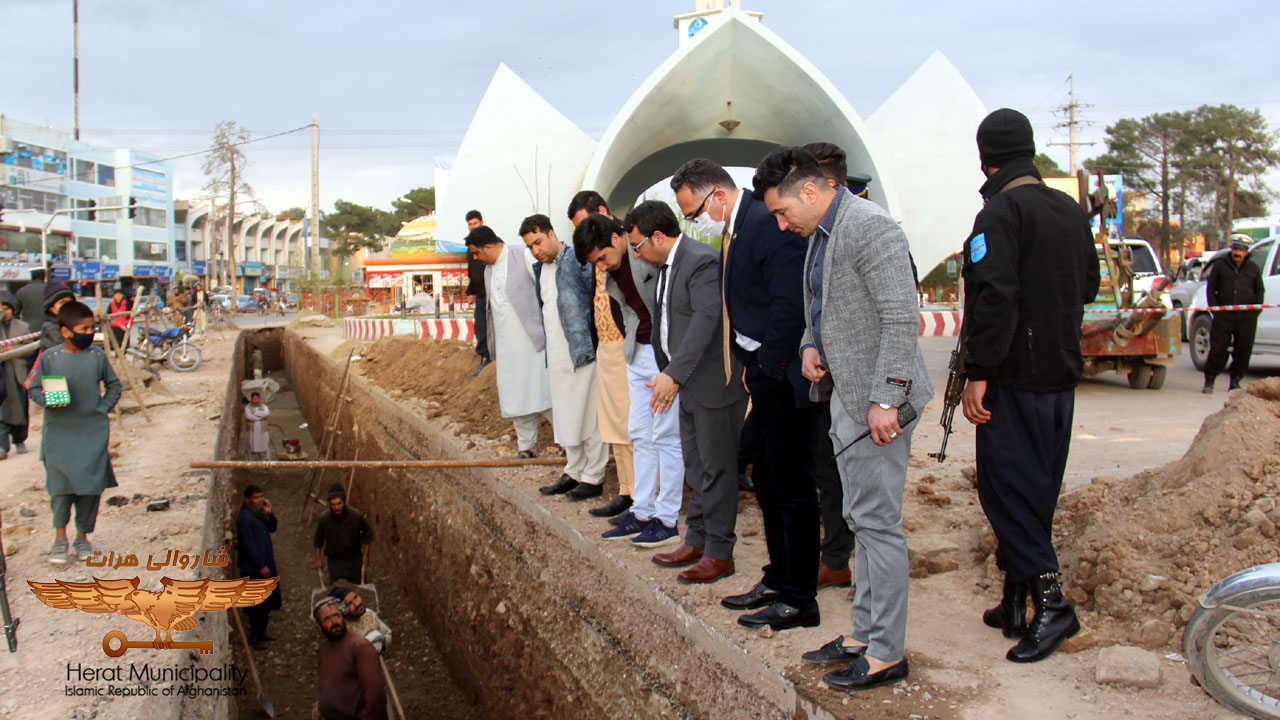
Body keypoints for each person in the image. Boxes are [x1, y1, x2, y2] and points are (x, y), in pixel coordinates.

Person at [754, 146, 933, 690]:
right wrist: (810, 344)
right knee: (859, 520)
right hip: (847, 398)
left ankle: (886, 652)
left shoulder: (870, 228)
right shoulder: (821, 236)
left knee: (878, 526)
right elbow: (822, 305)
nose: (782, 225)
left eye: (783, 212)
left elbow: (903, 318)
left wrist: (887, 399)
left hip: (878, 405)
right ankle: (862, 633)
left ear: (810, 191)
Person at [959, 108, 1100, 664]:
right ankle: (1013, 601)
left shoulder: (999, 212)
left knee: (1006, 490)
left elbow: (994, 297)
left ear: (986, 159)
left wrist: (979, 372)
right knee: (1036, 487)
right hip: (1060, 375)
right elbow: (1087, 283)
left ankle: (1053, 604)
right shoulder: (1068, 210)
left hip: (1014, 378)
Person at [670, 158, 822, 631]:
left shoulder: (763, 222)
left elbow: (787, 303)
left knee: (791, 487)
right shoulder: (743, 226)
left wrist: (768, 367)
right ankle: (778, 579)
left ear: (716, 194)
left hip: (784, 375)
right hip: (764, 368)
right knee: (771, 482)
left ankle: (799, 598)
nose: (696, 223)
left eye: (693, 212)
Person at [624, 201, 747, 582]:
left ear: (657, 236)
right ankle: (696, 539)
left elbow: (707, 320)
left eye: (638, 245)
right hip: (687, 384)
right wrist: (671, 372)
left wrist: (673, 374)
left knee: (717, 468)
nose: (636, 253)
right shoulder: (666, 267)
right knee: (696, 466)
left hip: (712, 383)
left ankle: (720, 553)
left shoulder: (701, 261)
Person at [574, 214, 689, 547]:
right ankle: (642, 511)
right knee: (639, 432)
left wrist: (671, 360)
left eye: (601, 258)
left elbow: (671, 308)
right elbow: (629, 311)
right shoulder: (613, 268)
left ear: (615, 239)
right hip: (637, 352)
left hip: (663, 355)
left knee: (666, 435)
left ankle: (666, 520)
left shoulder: (645, 256)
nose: (602, 267)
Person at [520, 215, 609, 500]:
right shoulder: (540, 269)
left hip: (581, 351)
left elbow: (595, 299)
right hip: (557, 355)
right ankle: (574, 471)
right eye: (530, 246)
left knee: (590, 417)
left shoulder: (577, 261)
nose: (536, 250)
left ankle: (594, 477)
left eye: (538, 242)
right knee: (567, 413)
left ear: (551, 233)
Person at [29, 300, 123, 565]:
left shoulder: (97, 357)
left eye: (91, 328)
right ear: (66, 331)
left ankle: (83, 536)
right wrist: (48, 401)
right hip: (59, 433)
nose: (89, 333)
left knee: (90, 488)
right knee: (60, 489)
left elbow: (114, 386)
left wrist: (102, 408)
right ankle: (60, 539)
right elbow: (34, 390)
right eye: (83, 328)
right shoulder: (49, 358)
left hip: (92, 433)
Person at [566, 192, 641, 521]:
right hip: (606, 348)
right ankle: (626, 490)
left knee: (631, 425)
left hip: (630, 346)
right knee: (613, 424)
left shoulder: (631, 247)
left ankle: (641, 495)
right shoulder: (602, 254)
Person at [465, 225, 553, 458]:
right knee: (514, 395)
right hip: (506, 347)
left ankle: (568, 442)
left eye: (476, 252)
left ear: (488, 246)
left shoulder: (521, 255)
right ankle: (527, 446)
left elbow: (545, 288)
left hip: (532, 342)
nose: (475, 258)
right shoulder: (488, 270)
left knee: (545, 392)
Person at [1203, 234, 1264, 393]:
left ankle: (1235, 381)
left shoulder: (1253, 268)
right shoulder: (1220, 266)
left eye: (1241, 250)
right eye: (1235, 248)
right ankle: (1210, 381)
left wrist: (1255, 310)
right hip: (1224, 316)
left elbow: (1259, 290)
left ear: (1246, 252)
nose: (1237, 252)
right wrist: (1215, 309)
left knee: (1243, 350)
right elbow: (1211, 289)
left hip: (1246, 317)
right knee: (1218, 349)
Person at [312, 597, 388, 720]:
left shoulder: (360, 647)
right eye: (327, 619)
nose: (334, 622)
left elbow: (375, 697)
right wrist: (321, 704)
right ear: (319, 626)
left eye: (336, 616)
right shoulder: (324, 647)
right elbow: (330, 681)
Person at [236, 484, 282, 650]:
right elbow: (248, 545)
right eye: (256, 497)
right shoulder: (245, 518)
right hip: (254, 569)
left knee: (266, 603)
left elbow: (273, 527)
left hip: (265, 564)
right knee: (257, 605)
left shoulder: (259, 514)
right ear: (248, 500)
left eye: (261, 496)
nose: (260, 500)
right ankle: (255, 637)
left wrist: (270, 514)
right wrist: (260, 565)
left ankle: (262, 633)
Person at [313, 483, 374, 585]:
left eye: (339, 503)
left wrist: (366, 555)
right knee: (338, 590)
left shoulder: (356, 516)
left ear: (344, 501)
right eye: (333, 504)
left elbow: (367, 536)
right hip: (335, 561)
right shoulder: (324, 519)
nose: (336, 508)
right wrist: (318, 559)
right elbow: (318, 541)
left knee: (357, 590)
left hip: (354, 559)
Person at [0, 292, 32, 459]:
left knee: (20, 407)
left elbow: (31, 347)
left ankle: (19, 439)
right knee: (2, 410)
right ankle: (1, 446)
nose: (4, 312)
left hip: (17, 372)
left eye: (7, 309)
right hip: (1, 374)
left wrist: (16, 350)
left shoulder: (22, 327)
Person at [328, 586, 392, 654]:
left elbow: (387, 634)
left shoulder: (369, 614)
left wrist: (379, 641)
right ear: (342, 610)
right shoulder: (342, 629)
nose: (357, 603)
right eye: (350, 603)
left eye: (356, 597)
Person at [465, 210, 491, 376]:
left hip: (493, 292)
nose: (472, 227)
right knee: (480, 327)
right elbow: (472, 271)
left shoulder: (490, 242)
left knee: (495, 327)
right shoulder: (470, 247)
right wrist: (470, 292)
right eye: (470, 224)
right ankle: (485, 357)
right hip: (480, 293)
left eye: (475, 223)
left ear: (481, 222)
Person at [39, 283, 76, 351]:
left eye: (70, 302)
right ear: (51, 307)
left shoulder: (70, 323)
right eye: (62, 302)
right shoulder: (51, 327)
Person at [245, 391, 272, 460]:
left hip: (263, 430)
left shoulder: (264, 406)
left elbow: (266, 413)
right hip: (252, 430)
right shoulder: (247, 407)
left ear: (259, 398)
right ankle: (250, 461)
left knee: (264, 444)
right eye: (254, 398)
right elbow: (249, 416)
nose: (255, 400)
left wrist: (255, 413)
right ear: (251, 399)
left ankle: (266, 460)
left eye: (257, 398)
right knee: (251, 444)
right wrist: (260, 418)